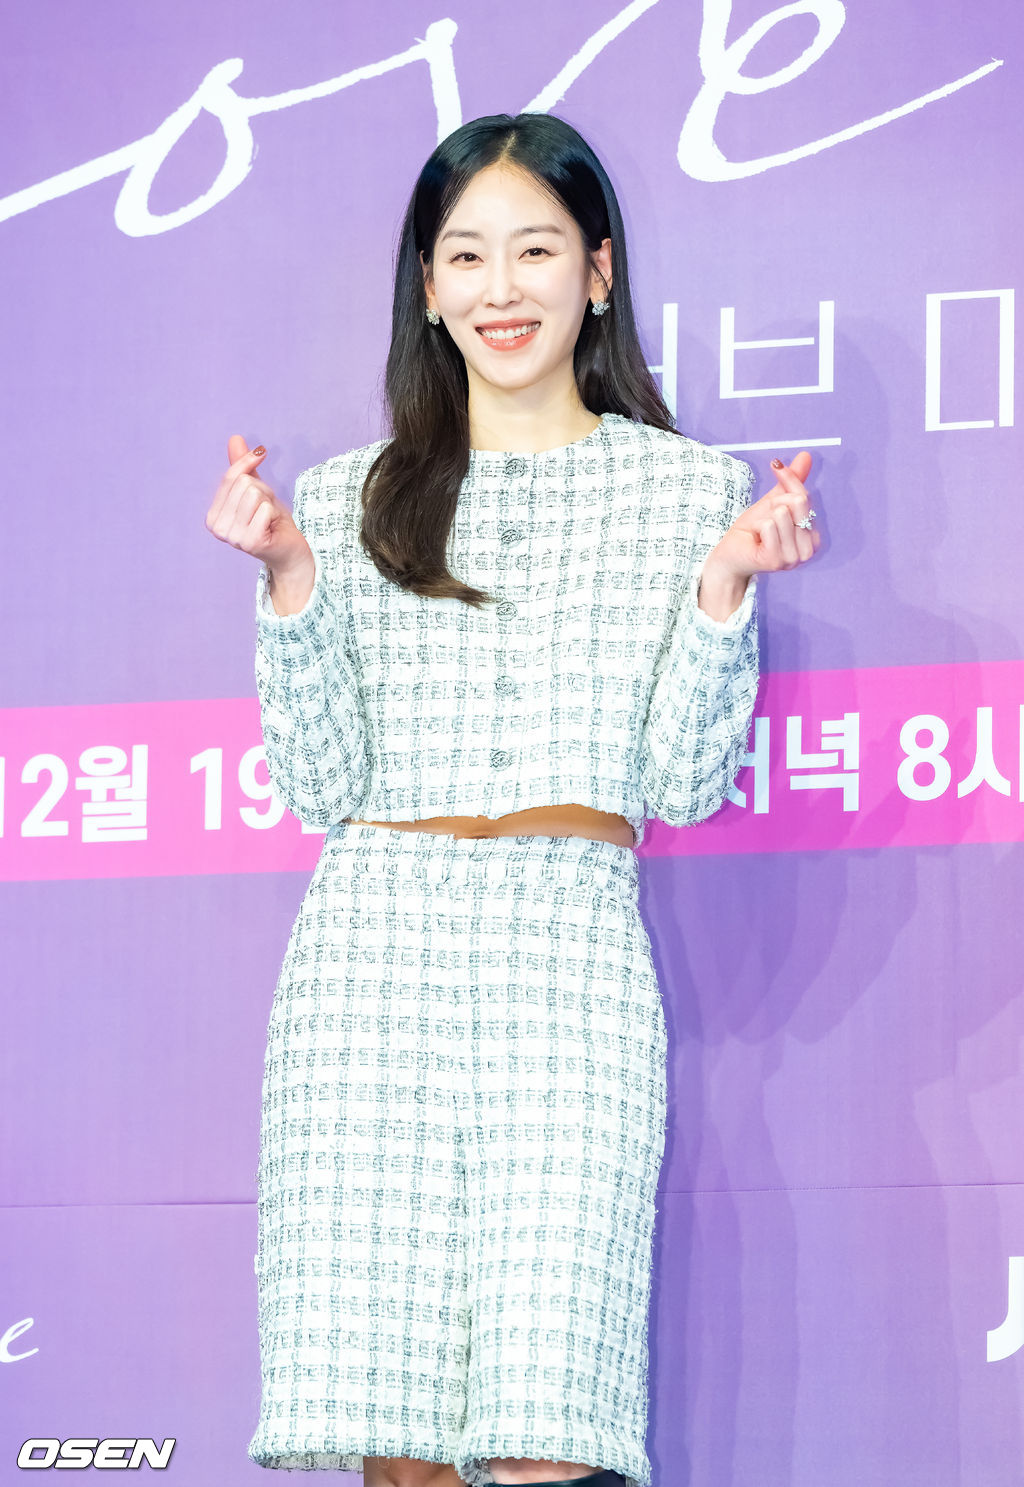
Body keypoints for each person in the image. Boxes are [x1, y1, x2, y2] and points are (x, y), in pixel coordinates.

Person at [206, 112, 820, 1487]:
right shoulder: (346, 500)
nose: (501, 287)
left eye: (535, 250)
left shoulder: (687, 495)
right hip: (371, 965)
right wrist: (291, 580)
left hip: (567, 952)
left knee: (550, 1418)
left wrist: (724, 589)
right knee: (397, 1435)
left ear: (597, 272)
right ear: (427, 288)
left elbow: (680, 785)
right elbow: (320, 785)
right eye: (466, 255)